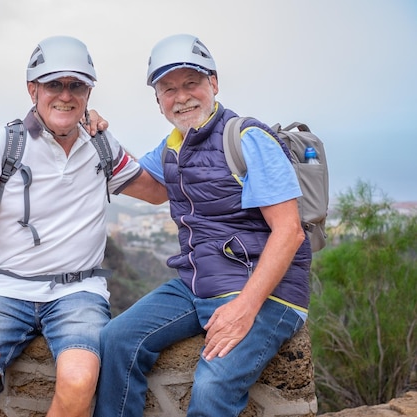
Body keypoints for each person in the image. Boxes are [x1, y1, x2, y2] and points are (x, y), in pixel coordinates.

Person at [0, 35, 166, 417]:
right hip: (2, 289)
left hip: (77, 291)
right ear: (33, 89)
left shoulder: (102, 146)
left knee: (79, 382)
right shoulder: (1, 146)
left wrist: (188, 130)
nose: (65, 94)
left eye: (76, 85)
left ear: (89, 91)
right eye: (53, 84)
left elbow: (157, 193)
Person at [93, 34, 312, 417]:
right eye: (168, 89)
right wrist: (95, 136)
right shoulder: (172, 147)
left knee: (211, 389)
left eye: (191, 83)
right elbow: (148, 188)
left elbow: (289, 231)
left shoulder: (247, 139)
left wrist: (245, 307)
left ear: (213, 83)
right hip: (198, 283)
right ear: (158, 101)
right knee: (116, 340)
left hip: (266, 291)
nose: (181, 97)